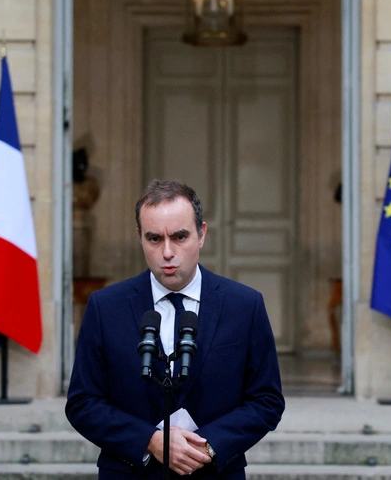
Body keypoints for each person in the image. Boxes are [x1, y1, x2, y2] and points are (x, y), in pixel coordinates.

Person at [66, 179, 284, 480]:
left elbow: (267, 400)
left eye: (180, 237)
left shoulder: (244, 306)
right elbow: (82, 403)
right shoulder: (105, 307)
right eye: (155, 239)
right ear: (140, 237)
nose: (167, 252)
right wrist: (150, 441)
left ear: (202, 234)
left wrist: (206, 448)